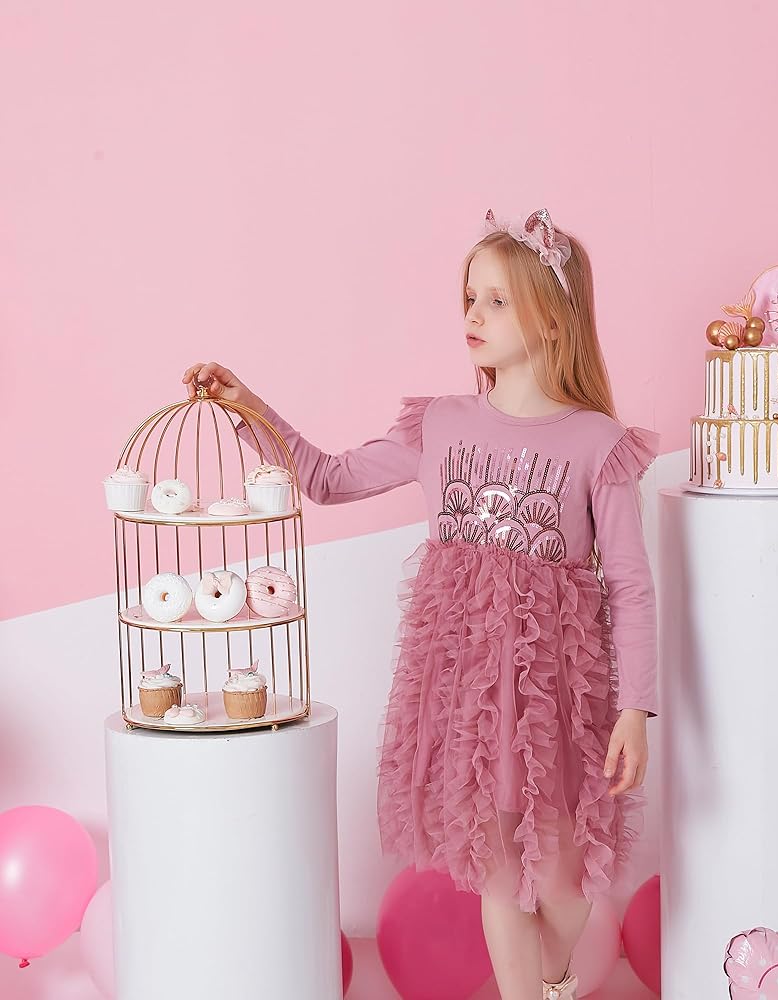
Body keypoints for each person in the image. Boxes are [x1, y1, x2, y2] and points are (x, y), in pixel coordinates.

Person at [181, 207, 660, 1000]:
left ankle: (554, 977)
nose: (474, 315)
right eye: (470, 298)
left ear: (552, 318)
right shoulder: (441, 423)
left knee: (565, 882)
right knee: (499, 873)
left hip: (555, 701)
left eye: (497, 301)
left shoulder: (596, 442)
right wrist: (248, 407)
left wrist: (635, 710)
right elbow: (328, 477)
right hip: (467, 693)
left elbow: (631, 585)